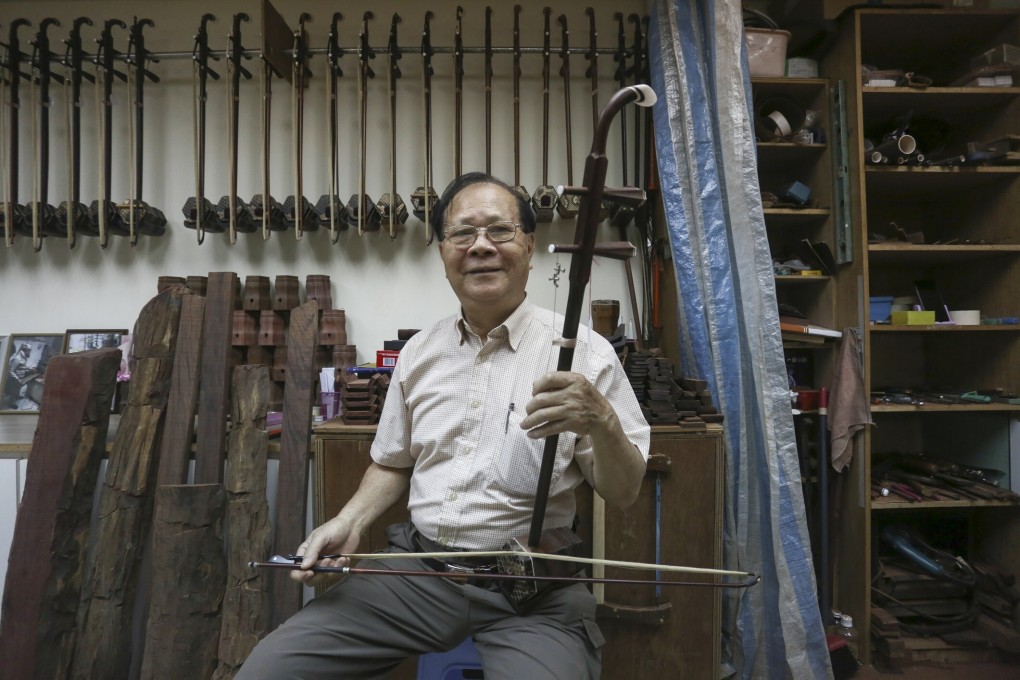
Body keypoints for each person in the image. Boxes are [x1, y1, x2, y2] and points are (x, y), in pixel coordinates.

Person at [237, 172, 650, 680]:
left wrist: (602, 420)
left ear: (529, 245)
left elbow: (624, 491)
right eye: (462, 233)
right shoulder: (420, 353)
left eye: (499, 230)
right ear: (442, 252)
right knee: (269, 671)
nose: (481, 246)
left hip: (532, 588)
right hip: (419, 572)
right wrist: (350, 521)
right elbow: (393, 462)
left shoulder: (585, 353)